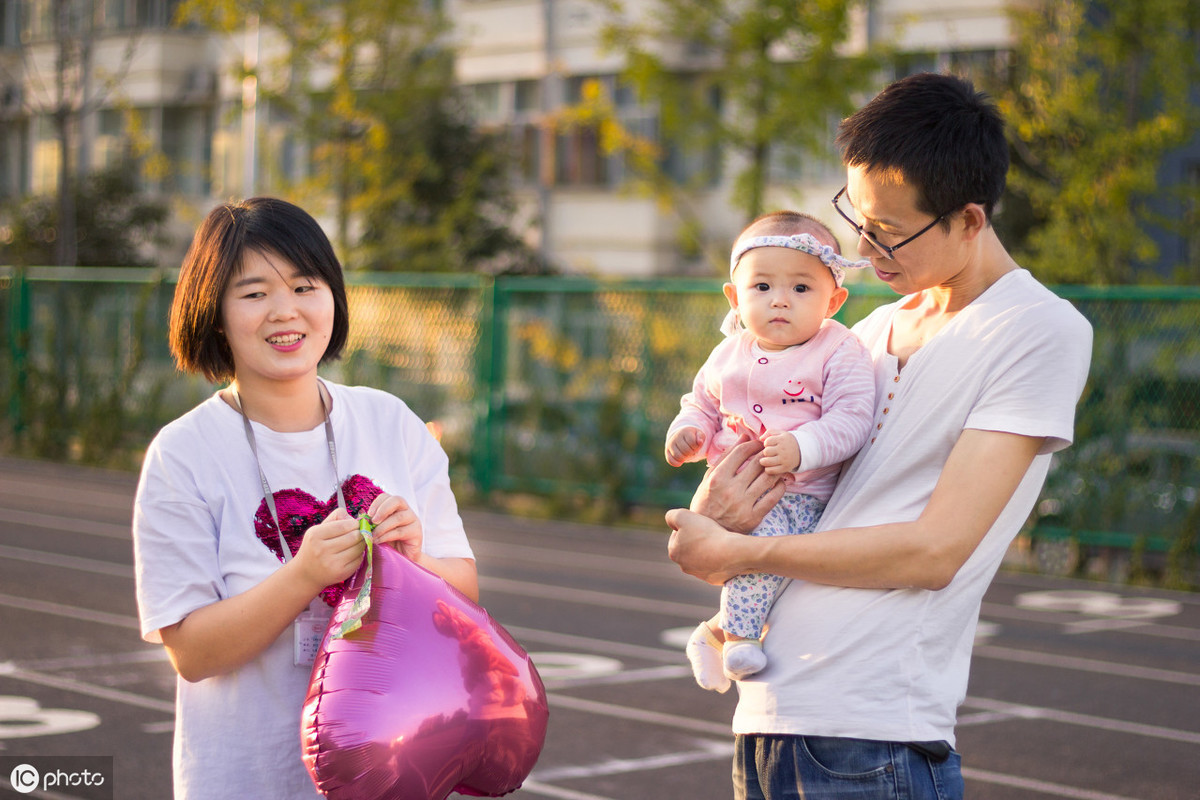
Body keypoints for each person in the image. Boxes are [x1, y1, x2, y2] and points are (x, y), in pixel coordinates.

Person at [665, 72, 1093, 800]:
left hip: (872, 731)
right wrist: (712, 521)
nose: (862, 247)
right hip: (770, 714)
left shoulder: (1036, 331)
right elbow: (766, 487)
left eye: (889, 231)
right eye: (856, 217)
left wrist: (738, 549)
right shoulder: (860, 334)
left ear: (969, 220)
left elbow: (935, 551)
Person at [131, 197, 479, 799]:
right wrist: (303, 576)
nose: (285, 311)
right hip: (246, 777)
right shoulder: (183, 453)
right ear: (213, 314)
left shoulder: (391, 421)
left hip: (389, 769)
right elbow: (192, 653)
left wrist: (412, 562)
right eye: (254, 293)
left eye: (304, 285)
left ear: (333, 299)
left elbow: (464, 595)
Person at [665, 212, 875, 690]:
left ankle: (730, 636)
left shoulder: (839, 351)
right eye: (762, 287)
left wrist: (803, 447)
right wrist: (688, 431)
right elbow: (701, 403)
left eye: (801, 289)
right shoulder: (726, 353)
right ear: (735, 297)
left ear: (834, 300)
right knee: (756, 561)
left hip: (801, 491)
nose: (780, 300)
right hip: (733, 485)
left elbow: (853, 419)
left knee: (767, 561)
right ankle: (728, 635)